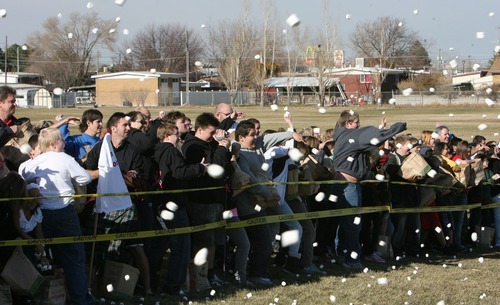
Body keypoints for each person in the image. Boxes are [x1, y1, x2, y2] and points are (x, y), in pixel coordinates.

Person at [18, 128, 94, 305]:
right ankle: (80, 299)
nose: (65, 142)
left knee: (41, 255)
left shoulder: (34, 162)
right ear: (53, 144)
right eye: (61, 140)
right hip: (64, 212)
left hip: (41, 214)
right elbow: (85, 179)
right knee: (74, 258)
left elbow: (22, 175)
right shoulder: (65, 159)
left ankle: (38, 298)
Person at [84, 112, 152, 296]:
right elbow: (87, 173)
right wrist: (105, 174)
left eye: (129, 125)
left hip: (126, 206)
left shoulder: (132, 152)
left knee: (136, 248)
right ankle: (94, 290)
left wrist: (119, 176)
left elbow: (139, 182)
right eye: (125, 125)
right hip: (102, 207)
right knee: (96, 251)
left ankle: (147, 289)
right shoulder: (99, 148)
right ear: (113, 128)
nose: (129, 128)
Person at [331, 110, 406, 269]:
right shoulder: (353, 137)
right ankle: (351, 259)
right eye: (356, 122)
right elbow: (371, 137)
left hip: (347, 185)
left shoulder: (342, 137)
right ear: (348, 124)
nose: (359, 125)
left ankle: (342, 254)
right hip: (349, 186)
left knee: (345, 223)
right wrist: (393, 130)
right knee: (353, 224)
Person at [151, 123, 206, 294]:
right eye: (176, 134)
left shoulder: (155, 151)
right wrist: (199, 168)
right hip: (174, 203)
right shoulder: (171, 150)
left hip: (160, 203)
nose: (179, 138)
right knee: (181, 245)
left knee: (161, 244)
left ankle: (154, 280)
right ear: (167, 136)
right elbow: (179, 173)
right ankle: (174, 286)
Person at [182, 112, 232, 290]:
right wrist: (220, 148)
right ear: (200, 129)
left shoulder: (209, 145)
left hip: (216, 200)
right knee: (205, 242)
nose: (213, 136)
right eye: (211, 133)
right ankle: (201, 277)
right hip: (202, 202)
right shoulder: (194, 147)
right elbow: (215, 170)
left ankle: (210, 273)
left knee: (215, 241)